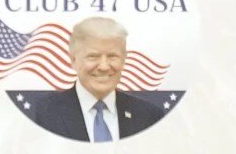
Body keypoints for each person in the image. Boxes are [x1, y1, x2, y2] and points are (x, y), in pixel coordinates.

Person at [30, 17, 162, 141]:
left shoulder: (149, 116)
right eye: (93, 56)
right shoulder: (42, 115)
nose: (104, 67)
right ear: (73, 60)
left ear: (123, 59)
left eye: (112, 56)